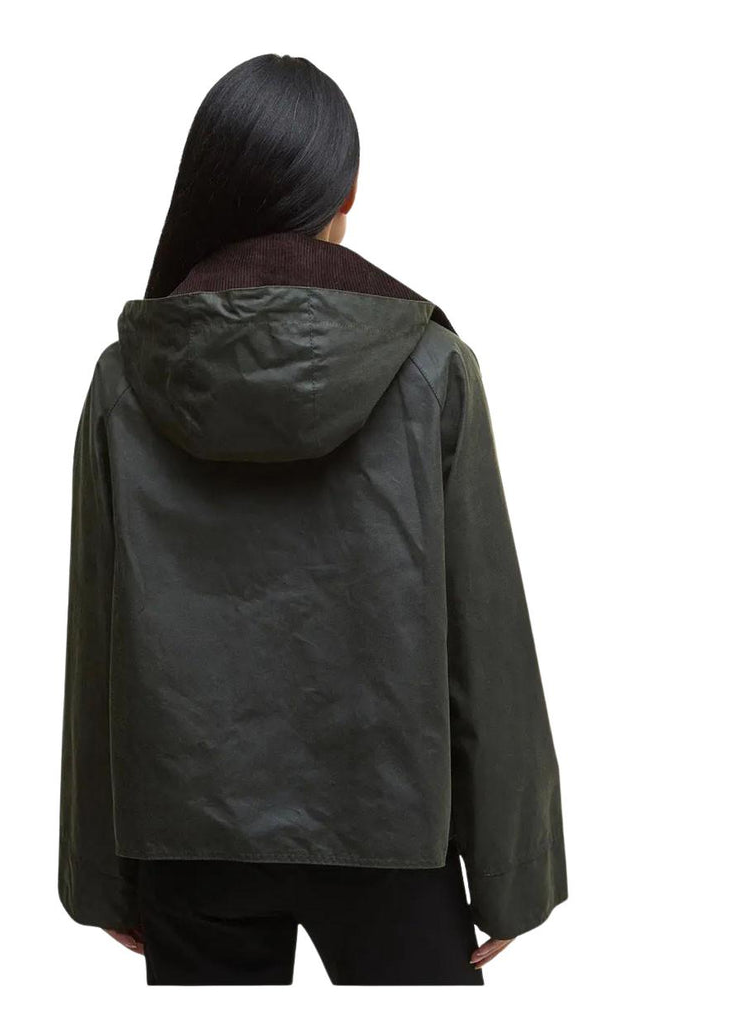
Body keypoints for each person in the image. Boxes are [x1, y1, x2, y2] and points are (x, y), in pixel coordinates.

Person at [58, 52, 567, 986]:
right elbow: (482, 633)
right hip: (393, 831)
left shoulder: (126, 380)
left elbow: (99, 634)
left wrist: (103, 876)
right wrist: (512, 872)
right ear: (347, 194)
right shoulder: (430, 369)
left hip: (187, 839)